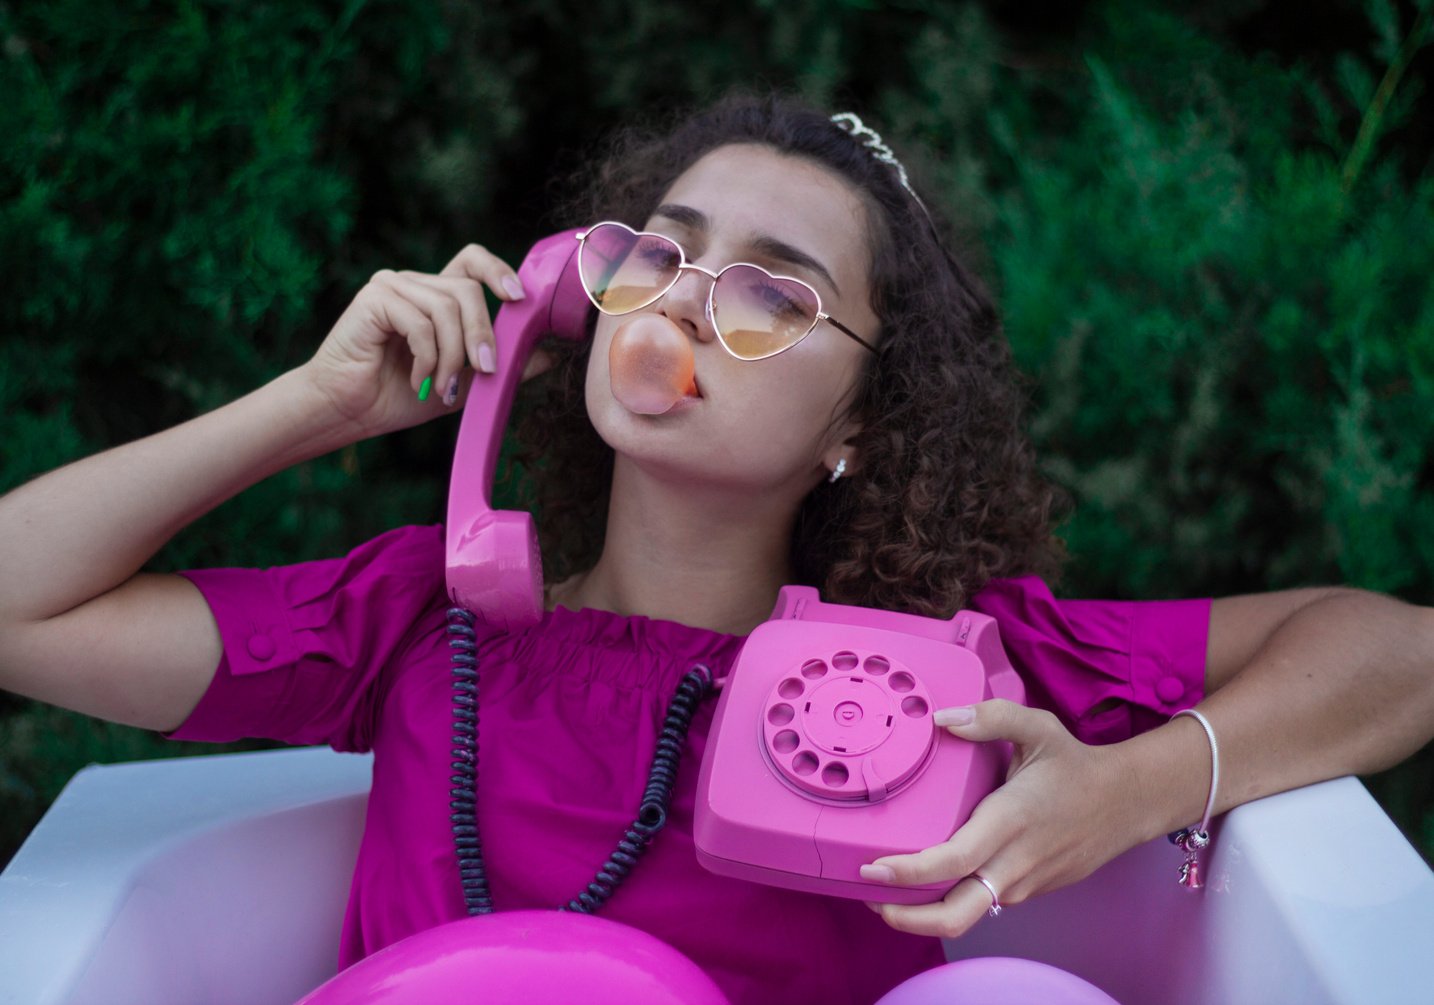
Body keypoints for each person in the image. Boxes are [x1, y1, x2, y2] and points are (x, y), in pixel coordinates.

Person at [0, 90, 1431, 1005]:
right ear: (577, 301)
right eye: (656, 254)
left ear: (860, 419)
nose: (680, 306)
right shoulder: (421, 620)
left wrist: (1132, 785)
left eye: (767, 295)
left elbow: (1396, 647)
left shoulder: (947, 676)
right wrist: (312, 408)